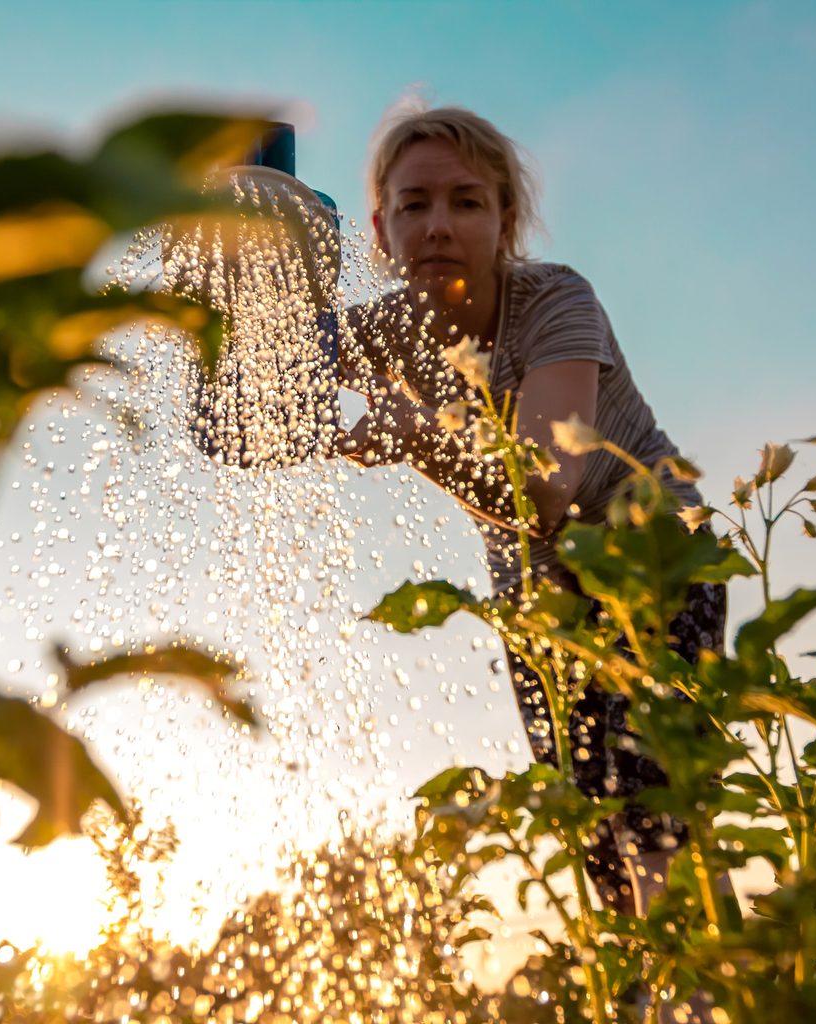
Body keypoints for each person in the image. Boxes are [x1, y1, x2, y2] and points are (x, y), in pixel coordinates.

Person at [334, 104, 727, 923]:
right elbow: (270, 375)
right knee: (600, 835)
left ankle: (706, 996)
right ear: (380, 228)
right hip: (544, 610)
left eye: (466, 202)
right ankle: (693, 993)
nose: (438, 226)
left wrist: (415, 439)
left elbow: (548, 490)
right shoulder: (388, 331)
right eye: (414, 205)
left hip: (654, 562)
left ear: (506, 219)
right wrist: (243, 265)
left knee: (655, 817)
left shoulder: (557, 302)